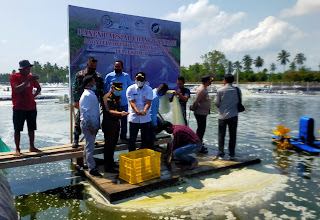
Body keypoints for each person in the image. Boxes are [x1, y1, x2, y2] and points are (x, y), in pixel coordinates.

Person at [10, 60, 41, 156]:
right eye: (27, 68)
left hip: (31, 107)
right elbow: (17, 89)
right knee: (17, 129)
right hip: (19, 107)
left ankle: (32, 146)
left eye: (29, 68)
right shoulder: (14, 77)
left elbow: (38, 88)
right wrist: (28, 81)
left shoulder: (30, 77)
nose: (29, 70)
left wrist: (33, 95)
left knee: (31, 128)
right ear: (22, 69)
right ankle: (17, 149)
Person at [72, 57, 104, 148]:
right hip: (83, 102)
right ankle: (76, 139)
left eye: (95, 66)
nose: (93, 68)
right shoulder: (80, 75)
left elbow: (101, 90)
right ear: (87, 64)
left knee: (94, 121)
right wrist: (76, 101)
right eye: (91, 66)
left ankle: (91, 139)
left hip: (94, 102)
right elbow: (75, 88)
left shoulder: (98, 76)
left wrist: (102, 103)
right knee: (79, 120)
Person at [102, 81, 129, 173]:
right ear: (112, 88)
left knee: (113, 145)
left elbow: (118, 108)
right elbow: (109, 111)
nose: (119, 91)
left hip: (116, 124)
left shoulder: (118, 97)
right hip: (109, 124)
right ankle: (108, 167)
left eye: (120, 90)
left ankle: (111, 163)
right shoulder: (106, 98)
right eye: (117, 90)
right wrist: (121, 113)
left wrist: (121, 114)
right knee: (108, 146)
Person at [104, 61, 133, 141]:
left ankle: (123, 137)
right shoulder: (109, 76)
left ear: (122, 67)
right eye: (115, 66)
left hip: (123, 102)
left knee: (124, 121)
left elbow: (130, 87)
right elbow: (105, 87)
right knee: (113, 121)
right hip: (113, 103)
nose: (117, 68)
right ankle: (113, 137)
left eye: (118, 66)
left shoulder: (126, 76)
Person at [79, 75, 102, 177]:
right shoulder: (87, 95)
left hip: (92, 123)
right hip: (89, 124)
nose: (95, 84)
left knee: (88, 145)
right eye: (94, 82)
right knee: (90, 147)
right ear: (89, 84)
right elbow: (85, 112)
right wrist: (90, 126)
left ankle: (85, 163)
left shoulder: (91, 94)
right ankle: (92, 168)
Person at [215, 74, 240, 160]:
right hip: (234, 115)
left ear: (225, 80)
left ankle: (221, 153)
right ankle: (231, 154)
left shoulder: (220, 90)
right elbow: (239, 101)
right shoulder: (237, 90)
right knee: (233, 135)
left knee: (221, 135)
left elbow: (217, 103)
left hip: (222, 115)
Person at [126, 72, 153, 151]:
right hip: (134, 117)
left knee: (146, 140)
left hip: (146, 118)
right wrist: (137, 111)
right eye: (138, 79)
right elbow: (132, 102)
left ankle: (143, 156)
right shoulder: (130, 89)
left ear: (145, 80)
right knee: (132, 139)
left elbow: (148, 102)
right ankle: (132, 156)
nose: (139, 81)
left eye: (141, 79)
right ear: (135, 79)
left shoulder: (149, 89)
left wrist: (144, 111)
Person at [190, 75, 212, 154]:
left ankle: (198, 144)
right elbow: (196, 101)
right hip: (200, 113)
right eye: (210, 80)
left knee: (201, 129)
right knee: (201, 130)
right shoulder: (201, 90)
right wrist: (193, 107)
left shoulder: (204, 89)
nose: (211, 82)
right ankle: (198, 146)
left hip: (203, 113)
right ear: (206, 81)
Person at [150, 83, 169, 148]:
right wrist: (154, 124)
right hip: (150, 117)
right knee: (157, 126)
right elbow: (151, 113)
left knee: (162, 124)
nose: (164, 94)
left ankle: (153, 136)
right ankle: (152, 145)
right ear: (160, 89)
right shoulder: (155, 97)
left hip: (153, 114)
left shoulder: (153, 92)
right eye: (164, 92)